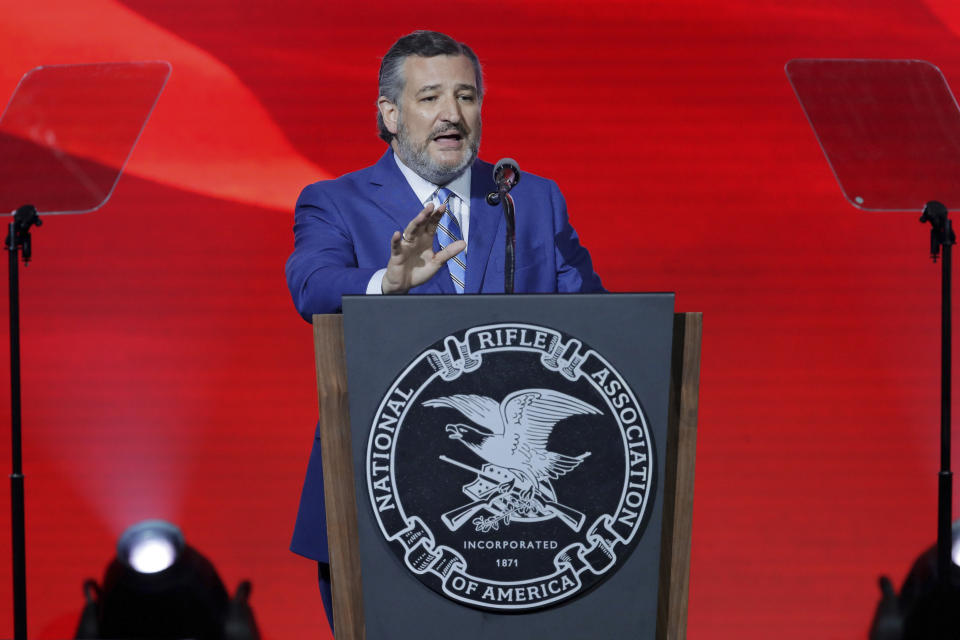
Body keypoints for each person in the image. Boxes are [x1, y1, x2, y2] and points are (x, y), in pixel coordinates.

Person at [285, 30, 604, 631]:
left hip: (519, 527)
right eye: (430, 97)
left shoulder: (528, 199)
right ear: (390, 114)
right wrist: (387, 282)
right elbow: (313, 285)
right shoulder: (335, 201)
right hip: (381, 500)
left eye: (467, 96)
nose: (453, 114)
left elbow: (599, 324)